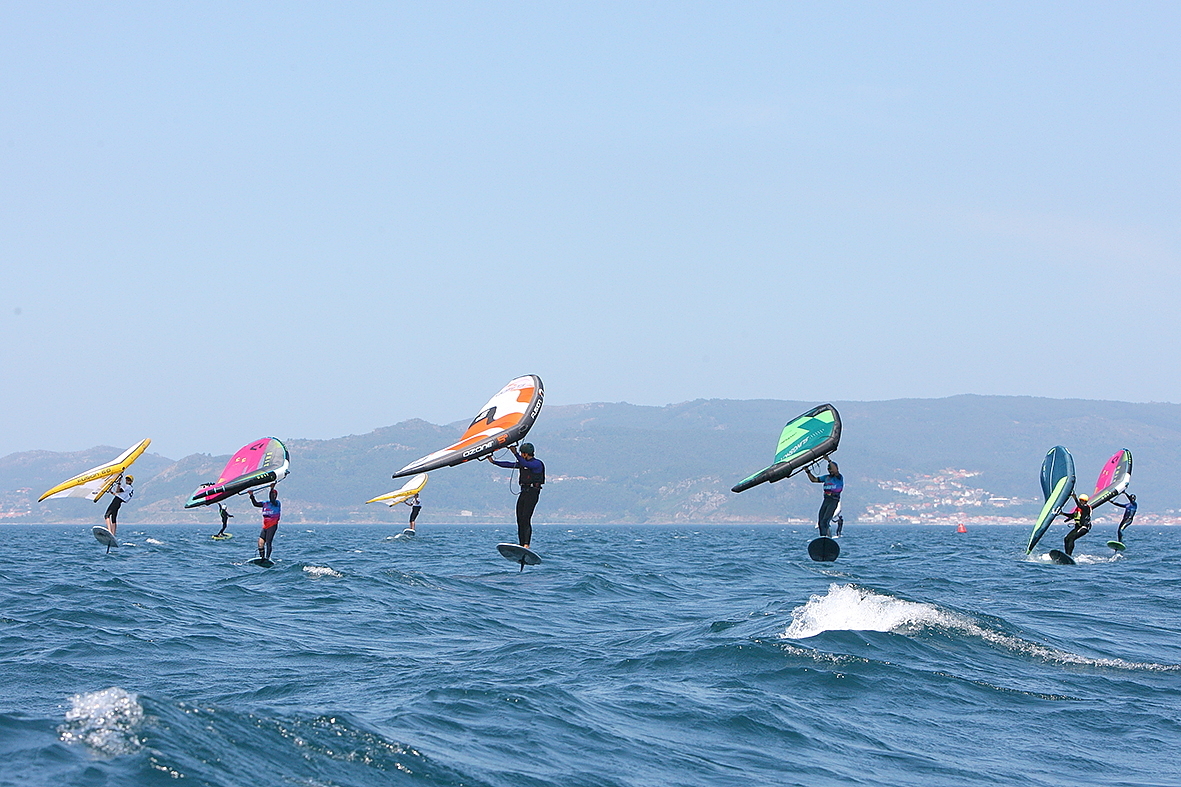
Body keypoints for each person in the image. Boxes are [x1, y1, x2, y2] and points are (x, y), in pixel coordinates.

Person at [488, 443, 544, 549]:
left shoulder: (537, 464)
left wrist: (515, 453)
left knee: (526, 518)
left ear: (526, 454)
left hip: (533, 493)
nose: (521, 455)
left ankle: (526, 544)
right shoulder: (523, 463)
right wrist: (494, 462)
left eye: (522, 454)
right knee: (519, 519)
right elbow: (509, 464)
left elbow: (525, 464)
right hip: (524, 492)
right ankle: (521, 544)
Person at [805, 460, 843, 538]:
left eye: (831, 469)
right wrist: (808, 472)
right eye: (829, 469)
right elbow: (814, 480)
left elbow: (835, 470)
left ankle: (827, 537)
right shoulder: (826, 477)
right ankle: (823, 537)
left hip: (833, 500)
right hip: (826, 500)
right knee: (821, 522)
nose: (830, 471)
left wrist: (828, 460)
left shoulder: (839, 477)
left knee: (825, 520)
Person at [250, 486, 281, 560]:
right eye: (272, 494)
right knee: (260, 542)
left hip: (272, 525)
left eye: (274, 495)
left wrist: (271, 489)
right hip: (265, 526)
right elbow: (255, 504)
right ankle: (262, 557)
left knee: (268, 542)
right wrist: (251, 495)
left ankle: (267, 558)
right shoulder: (265, 503)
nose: (273, 496)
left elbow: (272, 499)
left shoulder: (276, 503)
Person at [1061, 492, 1092, 556]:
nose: (1081, 502)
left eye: (1082, 501)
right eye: (1080, 500)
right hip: (1077, 527)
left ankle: (1069, 555)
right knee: (1066, 538)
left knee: (1072, 538)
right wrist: (1062, 513)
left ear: (1085, 501)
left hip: (1084, 527)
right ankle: (1066, 554)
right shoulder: (1078, 509)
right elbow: (1072, 516)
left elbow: (1080, 506)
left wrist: (1075, 498)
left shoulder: (1086, 508)